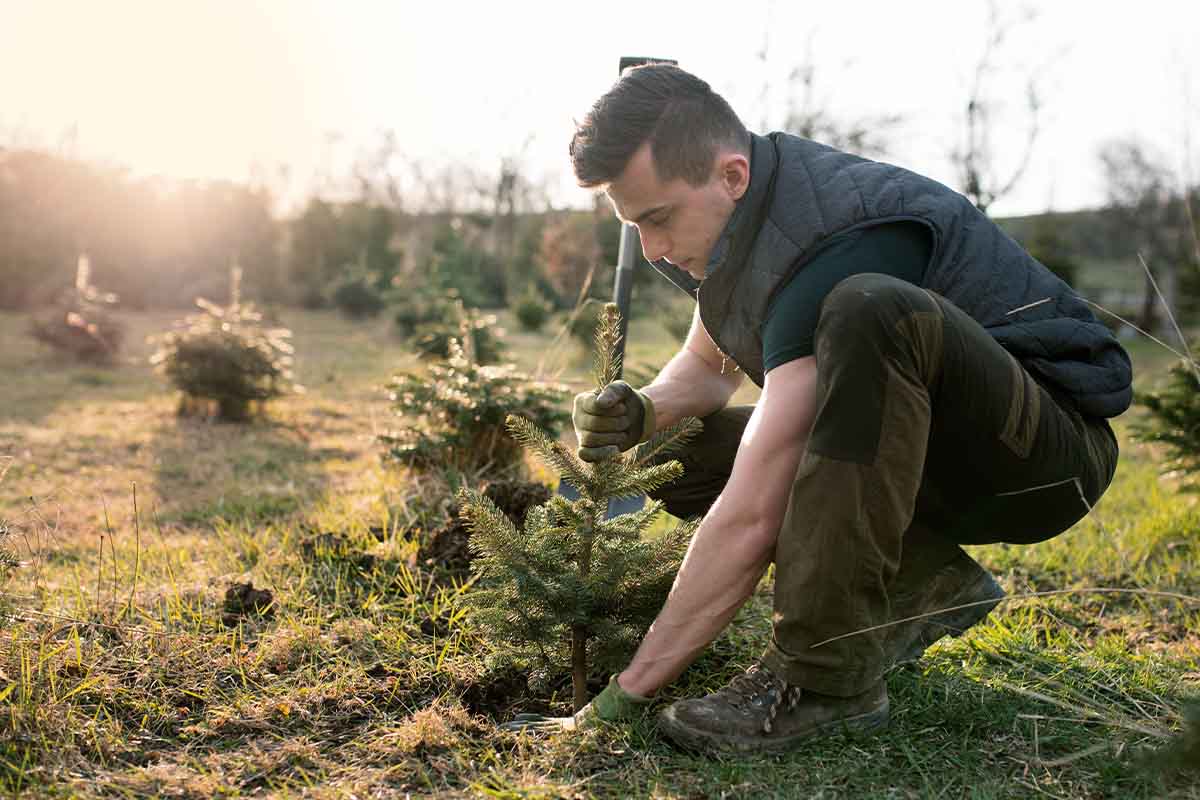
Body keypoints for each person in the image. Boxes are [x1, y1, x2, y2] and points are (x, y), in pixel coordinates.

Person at [510, 63, 1131, 753]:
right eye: (635, 228)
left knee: (870, 308)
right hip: (921, 453)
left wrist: (626, 694)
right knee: (672, 453)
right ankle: (920, 579)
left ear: (732, 175)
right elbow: (708, 367)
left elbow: (753, 509)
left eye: (658, 219)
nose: (652, 249)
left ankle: (823, 679)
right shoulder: (738, 222)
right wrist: (642, 412)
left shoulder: (834, 237)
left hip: (1040, 458)